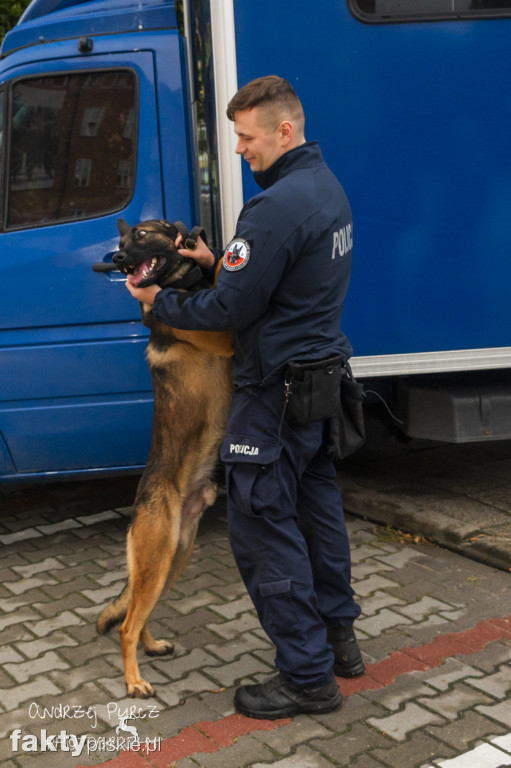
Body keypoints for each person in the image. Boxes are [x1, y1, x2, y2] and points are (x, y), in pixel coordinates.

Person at [126, 75, 364, 719]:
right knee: (317, 514)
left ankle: (307, 677)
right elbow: (264, 283)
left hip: (275, 391)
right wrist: (212, 262)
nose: (239, 148)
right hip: (319, 385)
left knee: (262, 525)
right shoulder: (328, 189)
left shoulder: (276, 206)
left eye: (246, 136)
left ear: (284, 132)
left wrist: (159, 302)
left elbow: (231, 306)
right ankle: (340, 639)